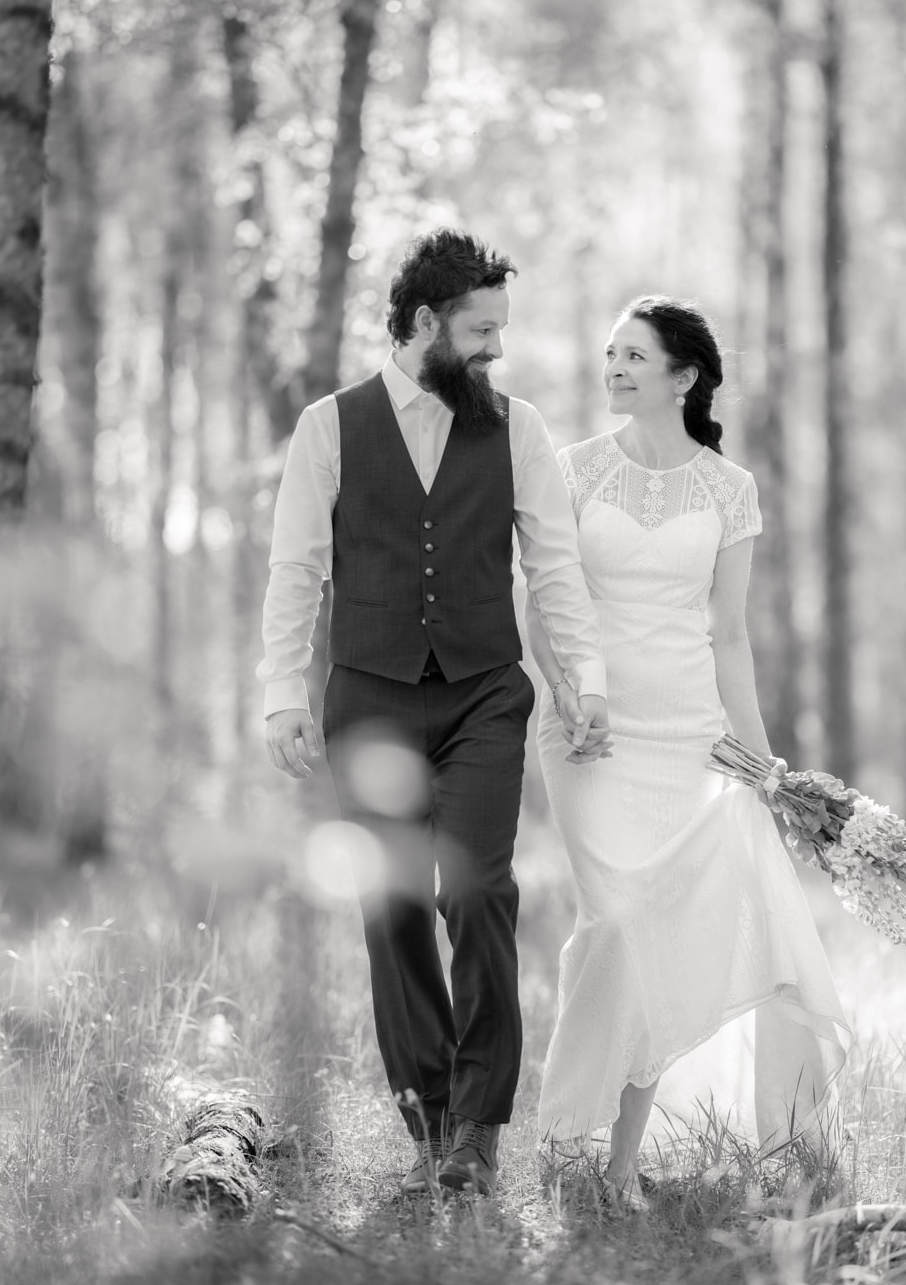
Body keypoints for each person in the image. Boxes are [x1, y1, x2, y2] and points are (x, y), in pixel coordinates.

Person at [259, 228, 611, 1199]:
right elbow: (296, 570)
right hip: (368, 696)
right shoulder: (329, 427)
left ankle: (482, 1128)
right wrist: (282, 692)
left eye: (501, 327)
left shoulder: (521, 430)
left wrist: (588, 679)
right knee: (395, 904)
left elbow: (554, 568)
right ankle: (428, 1122)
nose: (497, 347)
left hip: (485, 695)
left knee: (478, 888)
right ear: (426, 323)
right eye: (481, 328)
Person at [528, 296, 852, 1208]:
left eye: (636, 356)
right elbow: (541, 603)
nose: (616, 368)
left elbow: (732, 639)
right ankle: (562, 1134)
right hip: (589, 734)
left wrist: (765, 765)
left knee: (651, 937)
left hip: (691, 737)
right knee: (620, 920)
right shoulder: (572, 471)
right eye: (611, 354)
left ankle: (618, 1161)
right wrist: (562, 691)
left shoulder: (728, 488)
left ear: (685, 376)